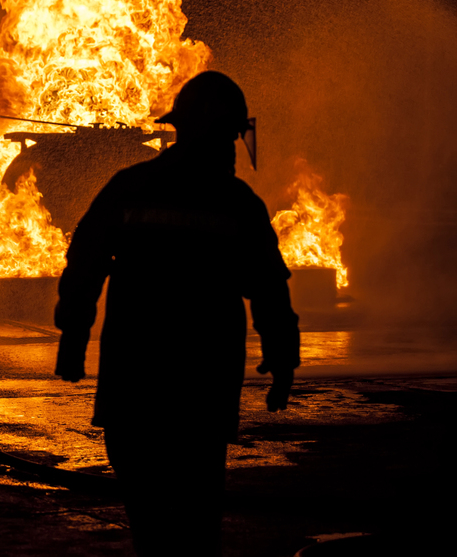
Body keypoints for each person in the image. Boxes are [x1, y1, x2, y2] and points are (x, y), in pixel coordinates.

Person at [54, 71, 300, 556]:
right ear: (220, 134)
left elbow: (85, 264)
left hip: (135, 373)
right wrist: (283, 357)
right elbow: (268, 288)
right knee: (196, 510)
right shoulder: (238, 203)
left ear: (179, 127)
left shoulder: (131, 186)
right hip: (203, 381)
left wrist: (73, 342)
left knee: (147, 510)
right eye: (230, 135)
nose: (232, 147)